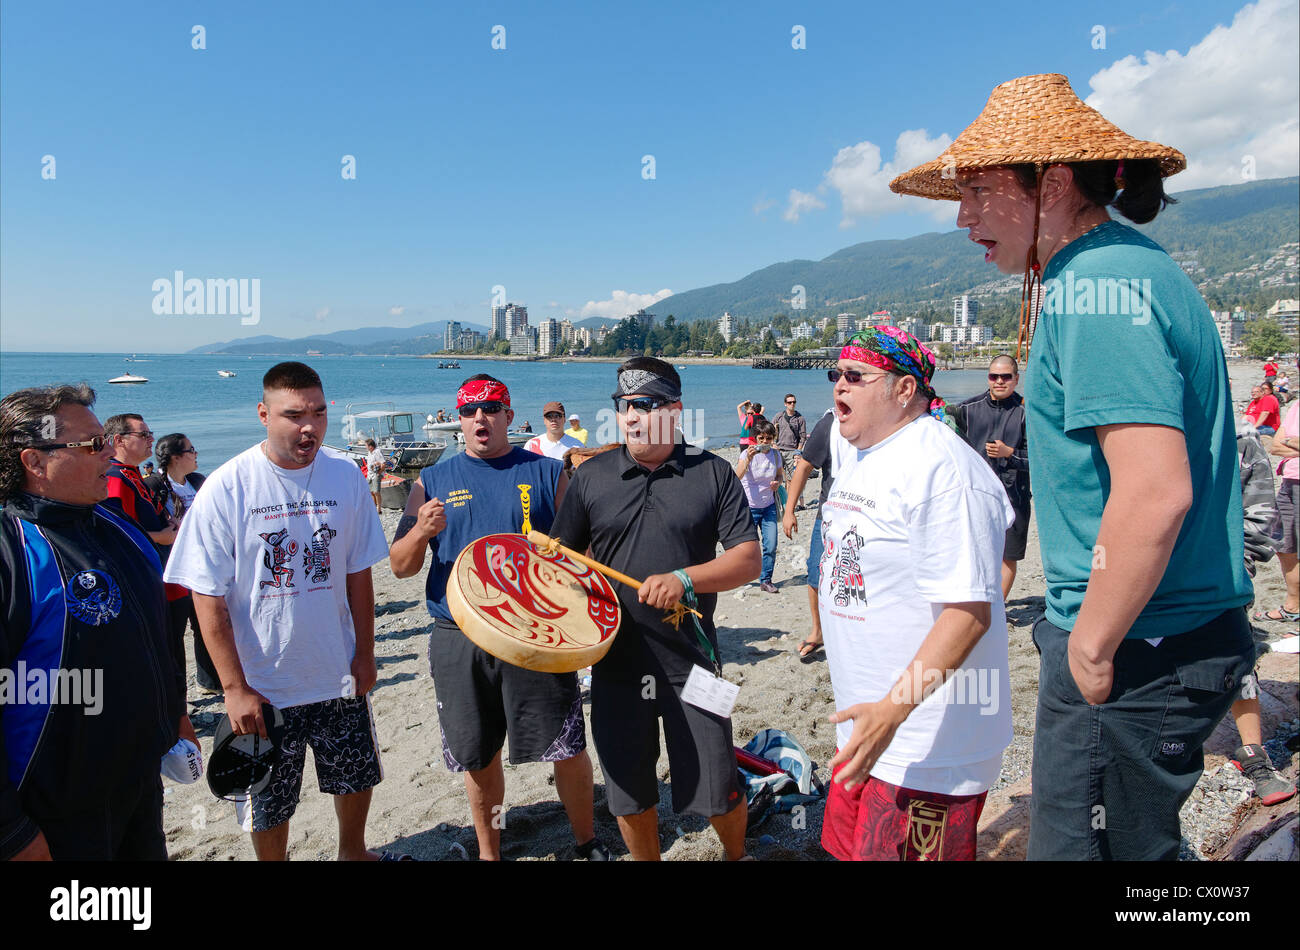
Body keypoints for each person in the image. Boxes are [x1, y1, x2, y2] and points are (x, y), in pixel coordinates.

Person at [892, 72, 1255, 860]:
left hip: (1142, 641)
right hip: (1160, 630)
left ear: (1053, 183)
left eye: (981, 190)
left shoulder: (1095, 286)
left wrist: (1088, 645)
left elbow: (1156, 492)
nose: (962, 217)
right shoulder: (1111, 269)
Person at [164, 362, 392, 861]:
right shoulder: (227, 487)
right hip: (265, 684)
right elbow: (208, 594)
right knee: (268, 797)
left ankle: (353, 852)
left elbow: (358, 573)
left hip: (337, 672)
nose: (309, 426)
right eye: (294, 415)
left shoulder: (346, 478)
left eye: (319, 412)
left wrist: (365, 655)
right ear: (264, 414)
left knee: (354, 773)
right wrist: (234, 688)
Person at [388, 374, 609, 862]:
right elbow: (401, 567)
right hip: (459, 632)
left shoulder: (548, 473)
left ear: (509, 415)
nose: (479, 419)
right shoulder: (432, 480)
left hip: (537, 629)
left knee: (566, 742)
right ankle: (491, 852)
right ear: (458, 421)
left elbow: (584, 553)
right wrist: (420, 530)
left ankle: (586, 842)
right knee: (477, 752)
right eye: (468, 411)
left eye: (490, 408)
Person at [816, 329, 1013, 861]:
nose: (839, 386)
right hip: (868, 731)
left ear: (905, 390)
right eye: (835, 374)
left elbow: (970, 614)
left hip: (926, 745)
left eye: (855, 376)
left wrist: (892, 711)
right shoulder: (864, 452)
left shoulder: (945, 471)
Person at [551, 357, 760, 861]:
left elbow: (748, 559)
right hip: (616, 665)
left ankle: (737, 856)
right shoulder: (590, 476)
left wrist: (686, 579)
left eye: (645, 405)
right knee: (629, 792)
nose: (632, 417)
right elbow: (560, 562)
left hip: (696, 661)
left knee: (720, 782)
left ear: (675, 409)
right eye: (624, 406)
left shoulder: (711, 472)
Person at [0, 384, 184, 860]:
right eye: (92, 444)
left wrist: (174, 716)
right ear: (34, 461)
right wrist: (11, 832)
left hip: (138, 783)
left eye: (105, 439)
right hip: (54, 809)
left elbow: (157, 637)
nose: (110, 453)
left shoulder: (117, 527)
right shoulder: (12, 552)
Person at [1229, 426, 1295, 805]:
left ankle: (1252, 753)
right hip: (1152, 574)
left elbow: (1262, 518)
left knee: (1237, 658)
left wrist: (1235, 566)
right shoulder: (1141, 432)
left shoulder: (1240, 443)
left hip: (1222, 577)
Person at [144, 433, 221, 695]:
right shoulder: (154, 485)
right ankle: (176, 692)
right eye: (191, 450)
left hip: (201, 563)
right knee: (174, 629)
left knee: (204, 622)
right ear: (176, 457)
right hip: (170, 568)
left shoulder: (198, 481)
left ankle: (209, 680)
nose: (196, 454)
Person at [954, 356, 1031, 600]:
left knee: (1008, 555)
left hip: (1015, 495)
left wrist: (1010, 454)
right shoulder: (966, 409)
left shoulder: (1027, 413)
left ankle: (997, 606)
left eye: (1006, 377)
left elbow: (1042, 461)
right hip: (976, 496)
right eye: (994, 376)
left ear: (1016, 379)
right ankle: (976, 602)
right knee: (974, 552)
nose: (999, 381)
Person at [782, 410, 834, 660]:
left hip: (872, 517)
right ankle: (818, 630)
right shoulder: (830, 423)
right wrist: (789, 510)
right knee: (815, 573)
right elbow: (804, 466)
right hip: (829, 516)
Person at [1254, 398, 1299, 624]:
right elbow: (1276, 446)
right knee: (1285, 546)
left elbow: (1284, 443)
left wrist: (1290, 443)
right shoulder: (1296, 406)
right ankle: (1293, 606)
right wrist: (1292, 443)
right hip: (1289, 481)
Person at [734, 419, 783, 593]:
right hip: (750, 507)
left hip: (769, 506)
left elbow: (779, 475)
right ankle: (741, 575)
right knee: (747, 547)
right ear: (755, 438)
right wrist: (748, 458)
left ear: (772, 438)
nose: (764, 442)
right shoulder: (745, 454)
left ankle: (766, 580)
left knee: (770, 545)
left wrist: (777, 483)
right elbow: (736, 477)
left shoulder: (776, 455)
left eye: (768, 438)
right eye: (761, 438)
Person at [773, 393, 807, 507]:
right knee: (777, 477)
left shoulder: (800, 418)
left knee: (792, 479)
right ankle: (780, 502)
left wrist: (798, 451)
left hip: (793, 451)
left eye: (794, 402)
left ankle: (790, 504)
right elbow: (770, 429)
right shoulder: (779, 416)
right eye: (789, 402)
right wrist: (773, 443)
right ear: (785, 404)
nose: (792, 404)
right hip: (779, 451)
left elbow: (803, 436)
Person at [364, 438, 385, 513]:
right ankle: (374, 506)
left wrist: (379, 473)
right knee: (371, 491)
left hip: (376, 473)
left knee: (376, 491)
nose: (365, 447)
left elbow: (383, 464)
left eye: (366, 446)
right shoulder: (370, 452)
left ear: (370, 446)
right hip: (370, 474)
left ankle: (379, 509)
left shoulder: (377, 452)